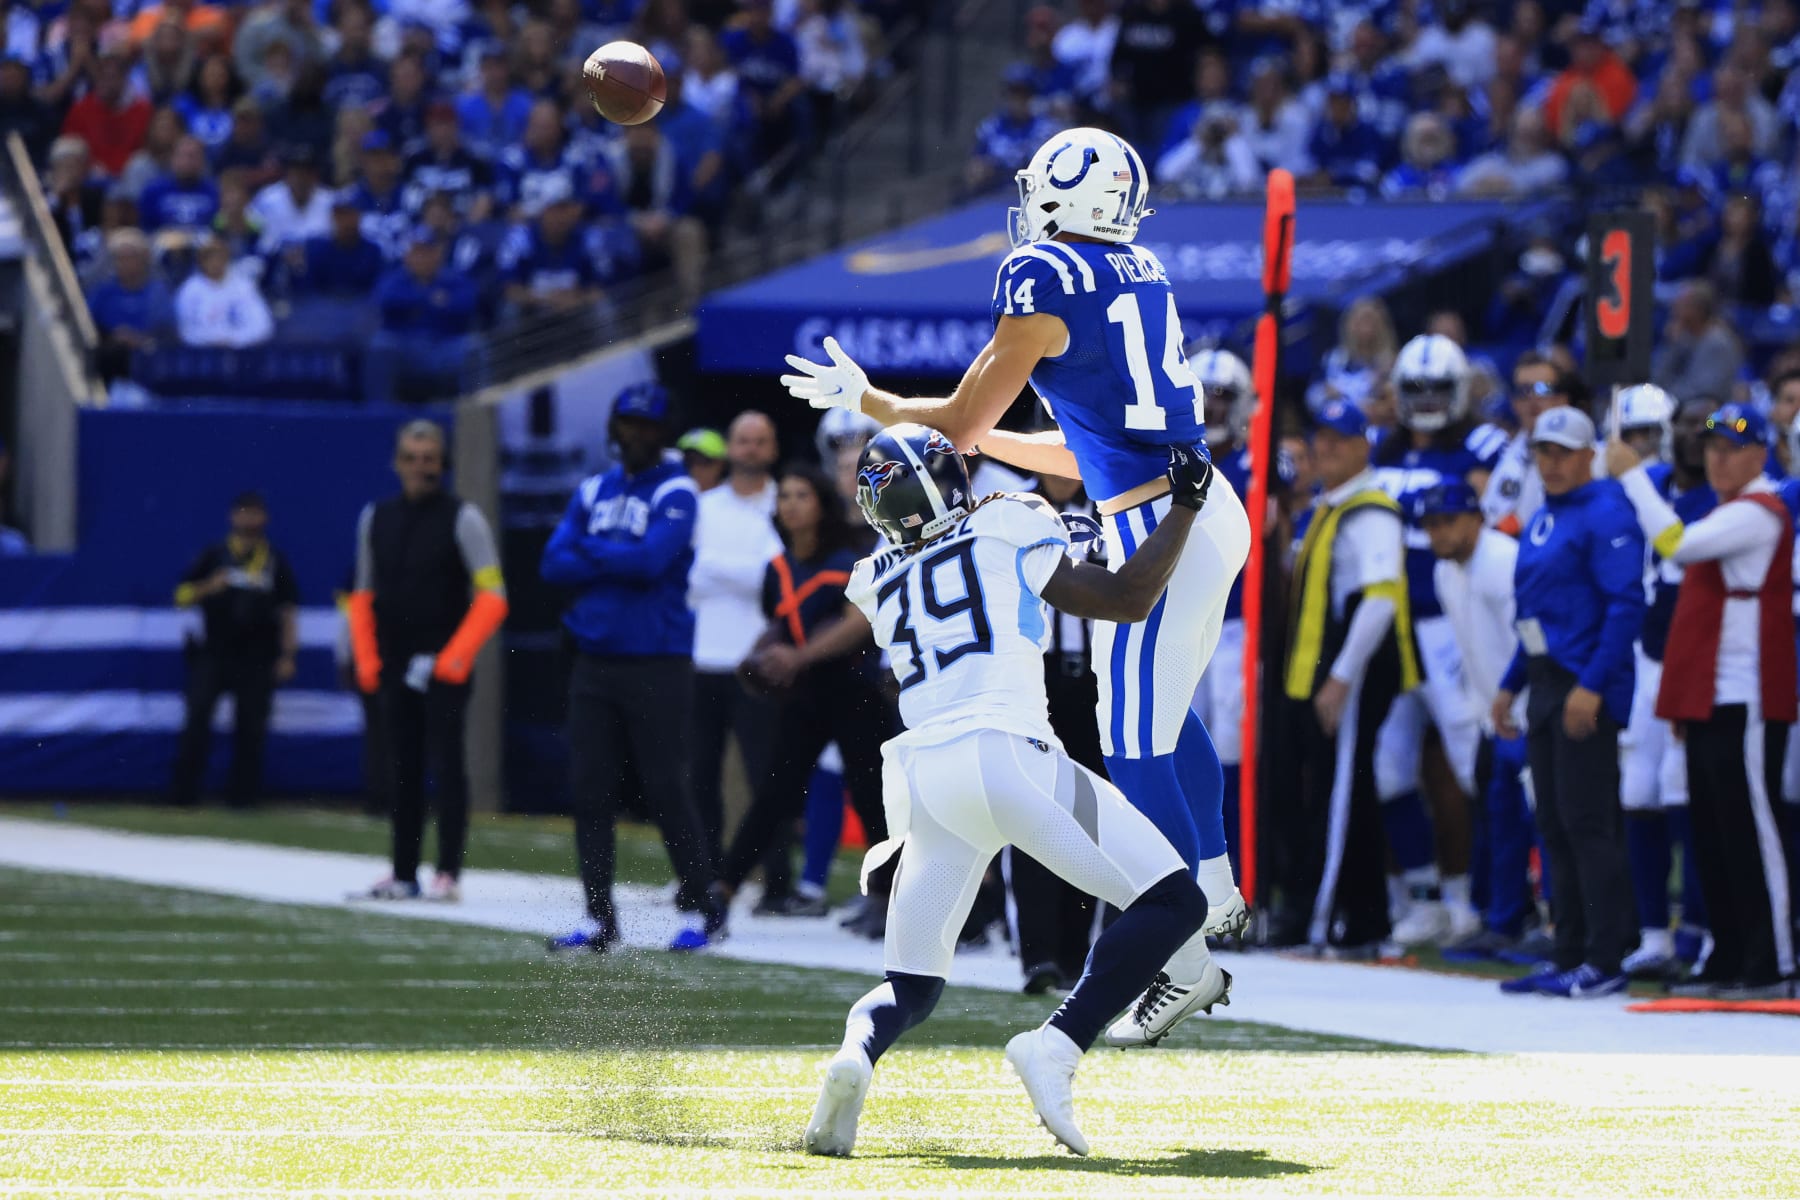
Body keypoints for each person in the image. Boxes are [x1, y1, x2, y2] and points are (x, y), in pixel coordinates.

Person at [781, 127, 1251, 1046]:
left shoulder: (1042, 275)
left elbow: (957, 422)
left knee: (1136, 738)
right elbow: (1067, 449)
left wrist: (869, 401)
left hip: (1162, 522)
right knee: (1163, 715)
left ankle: (1183, 941)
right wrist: (910, 413)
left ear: (1057, 201)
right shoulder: (1136, 269)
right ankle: (1218, 885)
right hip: (1190, 505)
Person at [804, 425, 1216, 1159]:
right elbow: (1124, 598)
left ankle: (854, 1058)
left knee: (909, 987)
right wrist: (1184, 506)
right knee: (1175, 902)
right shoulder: (1007, 521)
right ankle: (1056, 1045)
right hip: (1010, 754)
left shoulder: (871, 576)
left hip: (927, 777)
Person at [1609, 404, 1795, 998]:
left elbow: (1677, 544)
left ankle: (1774, 961)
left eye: (1732, 447)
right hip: (1712, 693)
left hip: (1749, 694)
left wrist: (1633, 475)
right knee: (1713, 832)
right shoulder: (1729, 509)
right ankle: (1728, 955)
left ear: (1760, 453)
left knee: (1752, 830)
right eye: (1711, 446)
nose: (1718, 457)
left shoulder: (1759, 511)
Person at [540, 383, 728, 952]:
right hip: (594, 658)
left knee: (666, 786)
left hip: (657, 659)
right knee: (589, 790)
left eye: (648, 425)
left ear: (664, 431)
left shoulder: (678, 491)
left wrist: (592, 552)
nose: (637, 434)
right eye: (629, 423)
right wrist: (612, 557)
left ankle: (702, 909)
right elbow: (550, 564)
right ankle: (600, 918)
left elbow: (650, 562)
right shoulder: (594, 486)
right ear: (614, 426)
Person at [1492, 406, 1643, 998]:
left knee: (1587, 821)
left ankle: (1606, 956)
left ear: (1588, 455)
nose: (1550, 463)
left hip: (1583, 681)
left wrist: (1594, 685)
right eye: (1542, 452)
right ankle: (1571, 948)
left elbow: (1625, 604)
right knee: (1553, 821)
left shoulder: (1605, 511)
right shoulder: (1546, 513)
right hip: (1548, 678)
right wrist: (1512, 682)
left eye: (1562, 452)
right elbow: (1534, 610)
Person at [714, 463, 895, 924]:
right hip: (806, 696)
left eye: (801, 495)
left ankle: (891, 897)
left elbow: (859, 624)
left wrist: (799, 657)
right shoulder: (777, 569)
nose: (790, 504)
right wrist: (758, 655)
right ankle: (725, 888)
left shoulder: (851, 560)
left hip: (854, 690)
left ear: (821, 505)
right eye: (784, 496)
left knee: (872, 796)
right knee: (775, 792)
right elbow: (780, 623)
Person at [1368, 334, 1504, 946]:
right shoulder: (1380, 449)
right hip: (1392, 627)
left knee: (1473, 765)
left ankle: (1479, 896)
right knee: (1389, 770)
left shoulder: (1484, 446)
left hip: (1454, 623)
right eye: (1414, 389)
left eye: (1435, 389)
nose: (1424, 402)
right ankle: (1424, 894)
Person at [346, 420, 508, 903]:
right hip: (395, 661)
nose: (421, 468)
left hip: (443, 663)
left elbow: (493, 595)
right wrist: (367, 658)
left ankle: (447, 873)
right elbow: (362, 593)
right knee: (402, 767)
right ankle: (402, 871)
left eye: (430, 459)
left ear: (444, 463)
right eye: (412, 458)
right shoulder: (375, 517)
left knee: (448, 764)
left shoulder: (464, 518)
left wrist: (456, 656)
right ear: (397, 463)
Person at [1280, 402, 1415, 955]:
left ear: (1366, 445)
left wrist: (1339, 678)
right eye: (1322, 438)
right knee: (1348, 795)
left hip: (1352, 673)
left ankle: (1317, 923)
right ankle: (1364, 921)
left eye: (1341, 439)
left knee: (1337, 800)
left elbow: (1380, 601)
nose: (1328, 449)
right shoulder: (1329, 507)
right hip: (1324, 668)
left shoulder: (1371, 512)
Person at [1608, 390, 1715, 979]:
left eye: (1708, 425)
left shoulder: (1719, 497)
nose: (1697, 434)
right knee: (1638, 792)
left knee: (1683, 792)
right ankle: (1653, 932)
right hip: (1647, 653)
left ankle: (1696, 930)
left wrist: (1631, 479)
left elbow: (1676, 543)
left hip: (1694, 657)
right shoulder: (1657, 479)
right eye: (1688, 423)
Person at [1417, 480, 1536, 960]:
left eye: (1447, 522)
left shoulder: (1502, 561)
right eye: (1430, 526)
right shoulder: (1447, 572)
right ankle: (1504, 920)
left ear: (1475, 518)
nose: (1438, 534)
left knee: (1542, 824)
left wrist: (1515, 701)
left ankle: (1548, 923)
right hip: (1495, 713)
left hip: (1524, 711)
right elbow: (1472, 645)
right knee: (1500, 821)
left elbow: (1527, 637)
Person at [1008, 466, 1104, 994]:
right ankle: (1037, 953)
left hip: (1096, 681)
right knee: (1032, 815)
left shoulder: (1112, 509)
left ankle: (1078, 951)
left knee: (1092, 815)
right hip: (1034, 679)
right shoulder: (1012, 512)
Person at [687, 411, 782, 882]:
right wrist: (749, 572)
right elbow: (688, 575)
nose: (751, 449)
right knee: (699, 777)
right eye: (743, 440)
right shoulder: (703, 507)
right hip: (703, 657)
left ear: (773, 448)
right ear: (730, 447)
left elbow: (776, 580)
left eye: (760, 441)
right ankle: (703, 876)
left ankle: (776, 884)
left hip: (761, 660)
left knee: (767, 776)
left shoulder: (783, 505)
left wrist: (715, 568)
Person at [168, 491, 299, 809]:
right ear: (232, 517)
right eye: (243, 512)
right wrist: (209, 586)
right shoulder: (215, 556)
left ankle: (243, 798)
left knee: (251, 727)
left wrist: (287, 655)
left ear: (264, 518)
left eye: (255, 513)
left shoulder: (274, 560)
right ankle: (183, 795)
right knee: (197, 718)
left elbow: (288, 610)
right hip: (215, 650)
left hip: (257, 654)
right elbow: (180, 596)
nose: (248, 519)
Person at [174, 234, 274, 349]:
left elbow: (263, 325)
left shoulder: (243, 286)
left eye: (220, 257)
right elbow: (184, 329)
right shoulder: (190, 289)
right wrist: (212, 340)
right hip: (201, 354)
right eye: (210, 258)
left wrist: (234, 340)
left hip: (240, 351)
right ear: (201, 261)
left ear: (227, 259)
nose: (215, 263)